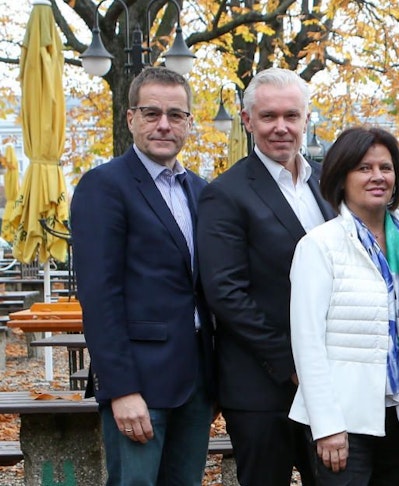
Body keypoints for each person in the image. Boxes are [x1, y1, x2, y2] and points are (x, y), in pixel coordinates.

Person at [71, 66, 214, 484]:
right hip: (138, 383)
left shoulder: (202, 191)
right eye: (151, 113)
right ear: (130, 118)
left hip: (196, 382)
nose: (164, 124)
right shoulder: (104, 186)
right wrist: (120, 389)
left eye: (175, 114)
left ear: (189, 122)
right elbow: (99, 296)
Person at [197, 67, 335, 486]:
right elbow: (226, 292)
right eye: (268, 117)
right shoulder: (226, 192)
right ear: (247, 120)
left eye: (291, 116)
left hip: (328, 385)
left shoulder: (327, 183)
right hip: (261, 387)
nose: (281, 127)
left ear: (306, 118)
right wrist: (293, 363)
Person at [288, 126, 399, 484]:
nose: (378, 176)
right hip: (344, 419)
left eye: (386, 167)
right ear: (341, 176)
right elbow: (307, 343)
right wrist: (327, 425)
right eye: (364, 168)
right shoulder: (319, 245)